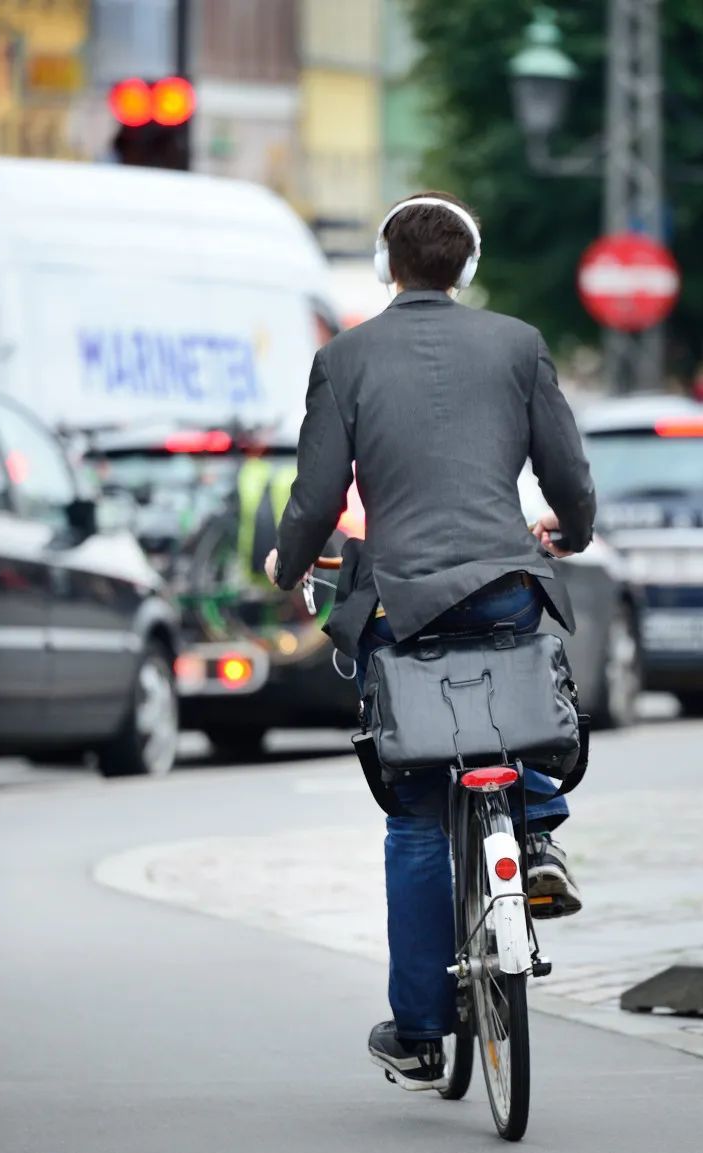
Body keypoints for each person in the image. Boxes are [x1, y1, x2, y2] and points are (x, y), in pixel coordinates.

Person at [265, 192, 596, 1091]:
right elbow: (565, 471)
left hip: (403, 601)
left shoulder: (344, 358)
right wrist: (572, 530)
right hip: (504, 585)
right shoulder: (519, 345)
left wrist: (286, 565)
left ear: (387, 267)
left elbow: (320, 497)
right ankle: (537, 841)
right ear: (466, 268)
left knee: (415, 812)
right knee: (519, 707)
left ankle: (418, 1031)